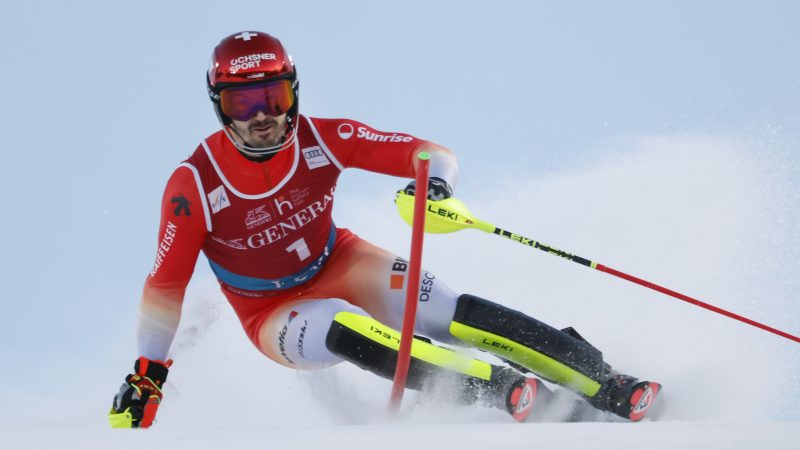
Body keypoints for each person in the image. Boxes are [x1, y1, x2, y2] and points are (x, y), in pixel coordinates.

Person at [108, 31, 661, 428]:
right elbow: (164, 285)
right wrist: (148, 373)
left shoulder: (323, 137)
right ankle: (500, 390)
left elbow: (429, 152)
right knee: (341, 324)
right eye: (242, 101)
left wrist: (434, 187)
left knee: (447, 312)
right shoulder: (194, 182)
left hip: (341, 261)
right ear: (219, 108)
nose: (261, 115)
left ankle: (603, 381)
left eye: (273, 97)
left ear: (293, 93)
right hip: (272, 312)